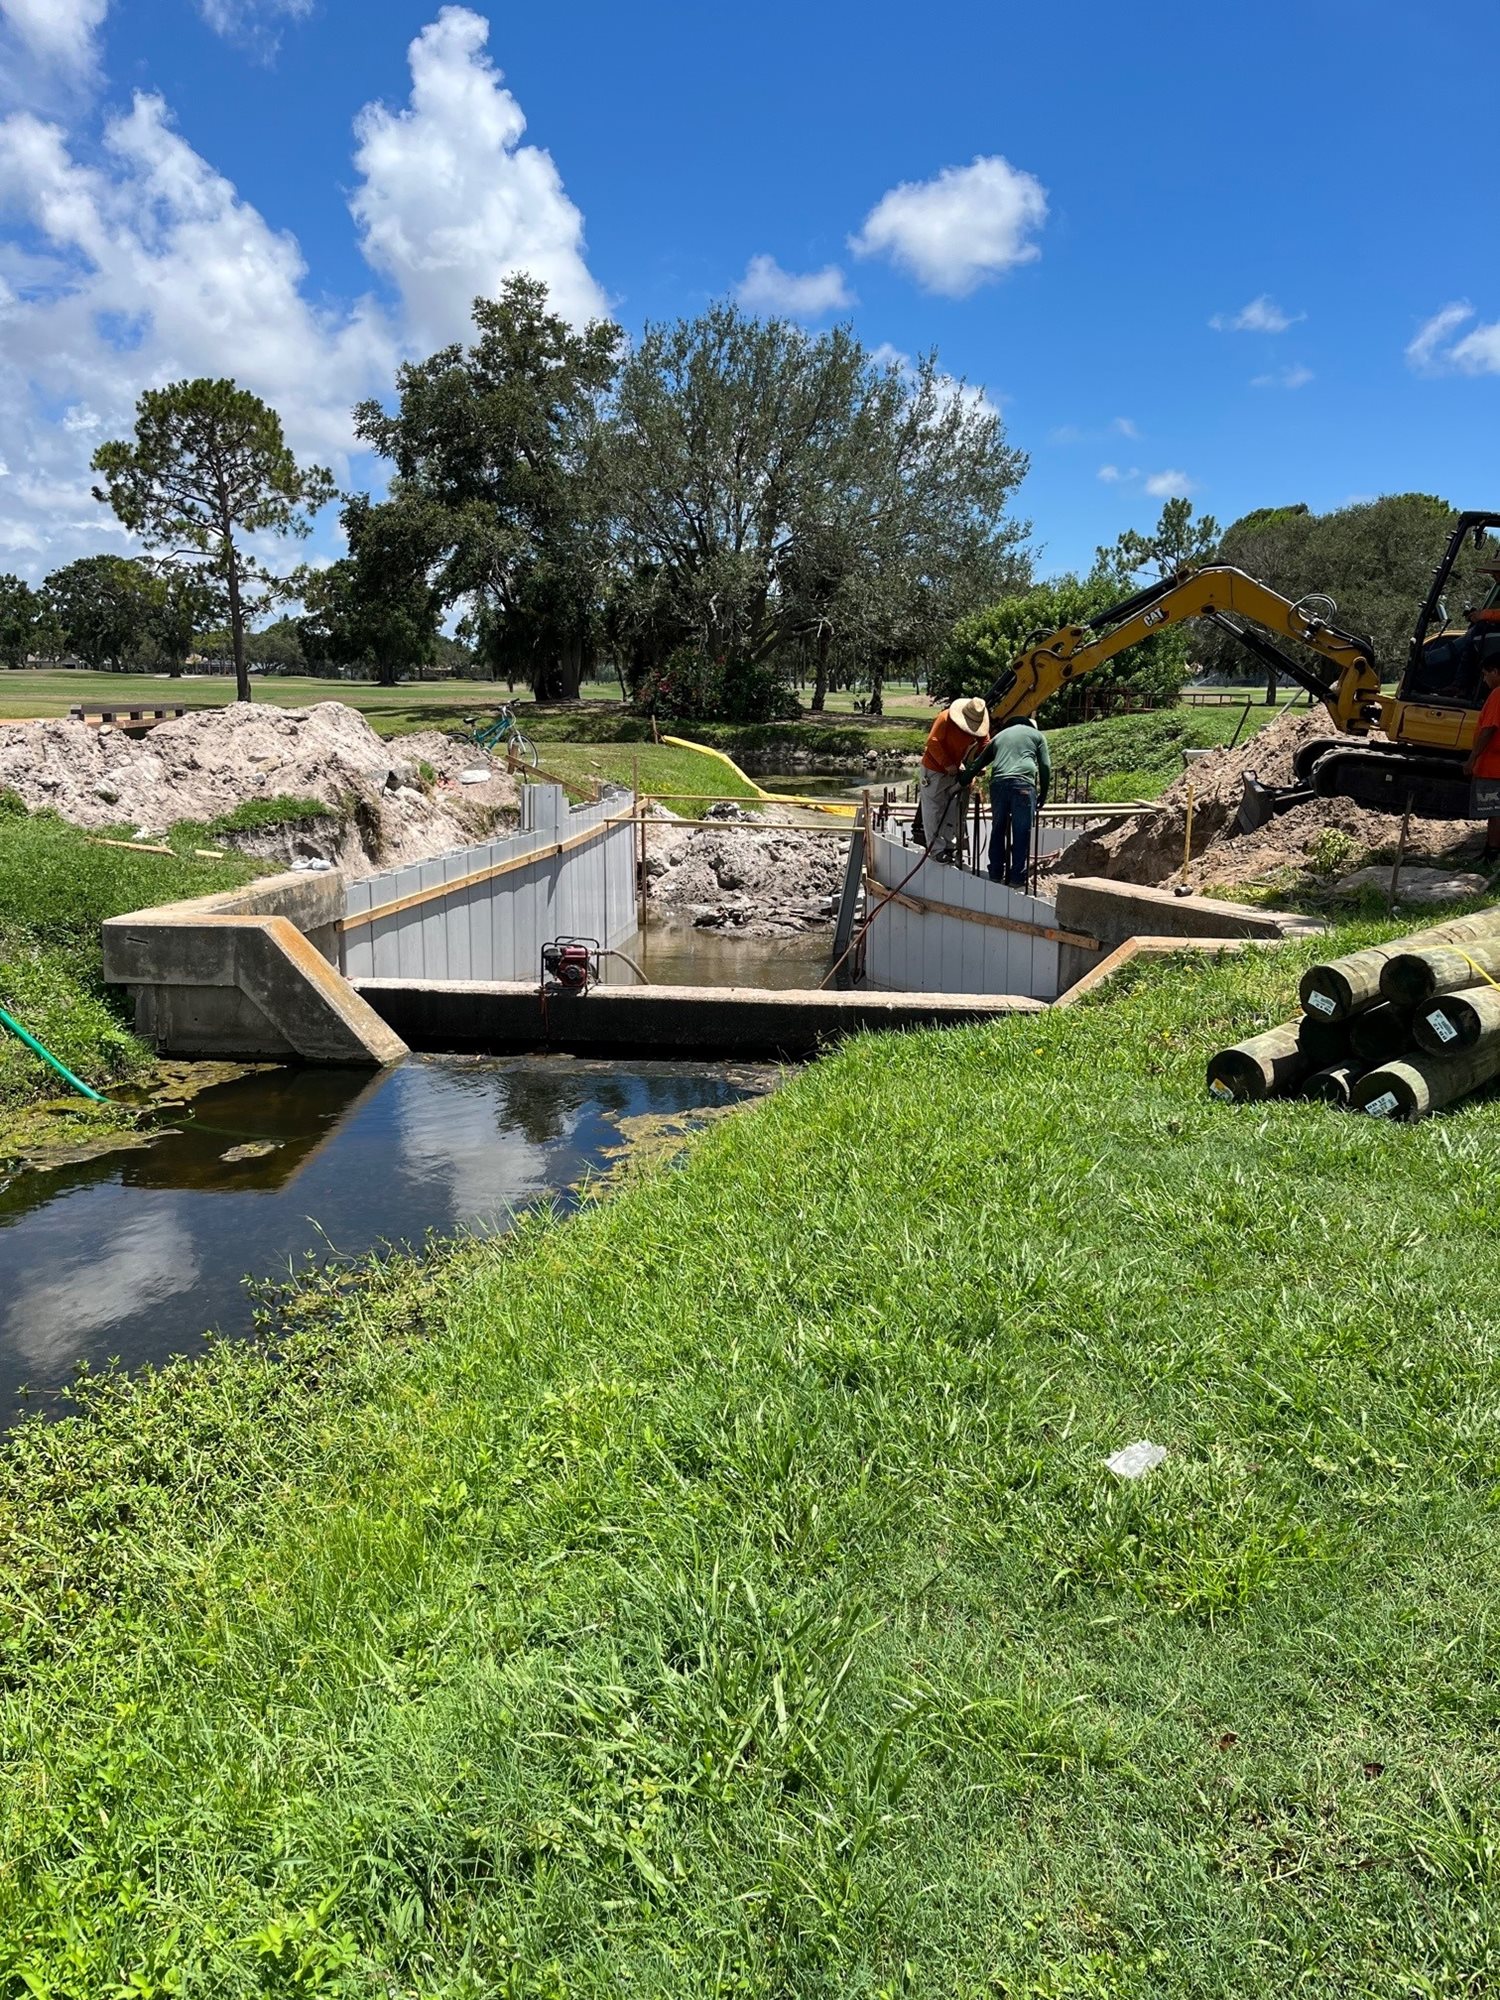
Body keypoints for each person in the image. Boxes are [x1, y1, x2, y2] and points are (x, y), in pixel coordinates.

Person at [970, 712, 1052, 889]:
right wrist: (1043, 794)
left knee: (998, 828)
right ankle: (1017, 878)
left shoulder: (999, 737)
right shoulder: (1037, 736)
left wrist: (961, 780)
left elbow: (978, 763)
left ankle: (995, 873)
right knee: (1021, 832)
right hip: (1023, 786)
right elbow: (1045, 766)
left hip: (998, 784)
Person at [918, 696, 990, 862]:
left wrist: (981, 763)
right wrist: (947, 764)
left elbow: (985, 744)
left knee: (953, 808)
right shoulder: (945, 718)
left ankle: (950, 846)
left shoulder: (980, 722)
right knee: (934, 809)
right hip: (934, 769)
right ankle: (936, 850)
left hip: (956, 767)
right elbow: (933, 743)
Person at [1464, 655, 1500, 862]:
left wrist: (1472, 758)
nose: (1484, 679)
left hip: (1493, 766)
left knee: (1494, 809)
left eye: (1486, 674)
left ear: (1495, 671)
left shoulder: (1497, 694)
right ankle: (1490, 849)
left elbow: (1488, 729)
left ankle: (1492, 853)